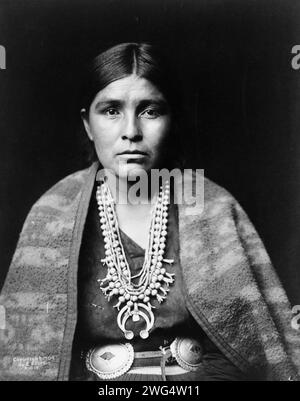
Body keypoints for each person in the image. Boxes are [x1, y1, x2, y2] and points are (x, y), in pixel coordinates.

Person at [0, 43, 299, 381]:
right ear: (87, 124)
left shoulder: (212, 207)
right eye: (111, 111)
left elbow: (256, 344)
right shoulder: (52, 215)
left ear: (172, 119)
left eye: (150, 110)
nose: (131, 131)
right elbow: (27, 355)